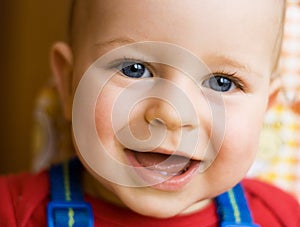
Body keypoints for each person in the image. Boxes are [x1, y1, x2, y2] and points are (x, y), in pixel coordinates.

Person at [1, 0, 299, 226]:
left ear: (264, 110)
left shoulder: (283, 217)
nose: (170, 113)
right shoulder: (13, 211)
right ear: (68, 83)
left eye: (222, 83)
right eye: (135, 69)